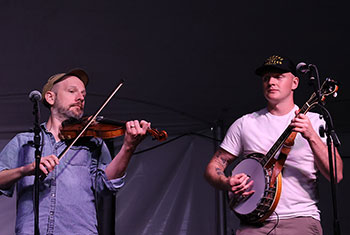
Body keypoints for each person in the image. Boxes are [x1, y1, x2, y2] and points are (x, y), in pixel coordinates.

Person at [0, 68, 150, 234]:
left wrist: (128, 147)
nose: (80, 98)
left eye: (83, 95)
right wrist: (26, 169)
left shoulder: (93, 143)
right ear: (50, 97)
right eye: (72, 91)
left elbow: (107, 186)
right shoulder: (24, 141)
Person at [205, 55, 343, 234]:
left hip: (299, 219)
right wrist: (227, 182)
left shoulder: (316, 122)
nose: (271, 82)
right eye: (266, 78)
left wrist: (311, 136)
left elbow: (336, 175)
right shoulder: (245, 123)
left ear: (294, 82)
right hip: (253, 224)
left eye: (278, 76)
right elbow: (214, 166)